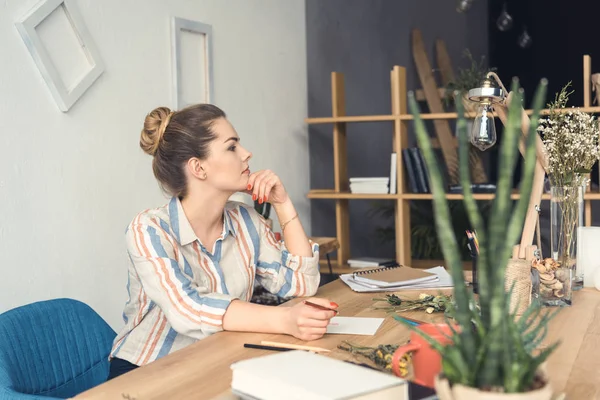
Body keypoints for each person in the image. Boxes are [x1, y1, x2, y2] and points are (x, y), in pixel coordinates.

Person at [107, 104, 338, 380]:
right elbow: (187, 309)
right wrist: (285, 320)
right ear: (198, 167)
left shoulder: (245, 221)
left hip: (214, 361)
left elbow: (302, 285)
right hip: (146, 372)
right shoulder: (149, 230)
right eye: (232, 147)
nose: (246, 153)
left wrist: (283, 203)